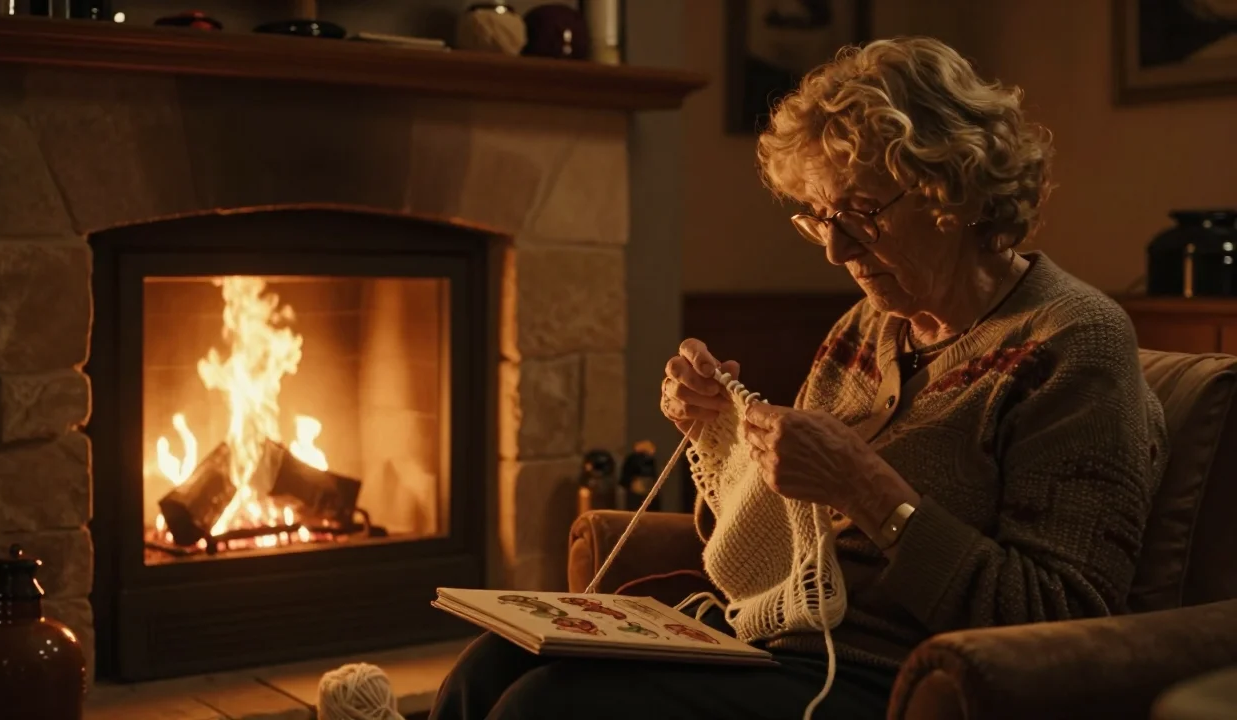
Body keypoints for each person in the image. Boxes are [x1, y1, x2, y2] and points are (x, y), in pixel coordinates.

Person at [428, 36, 1168, 720]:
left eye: (859, 212)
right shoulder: (864, 330)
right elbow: (778, 547)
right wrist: (721, 442)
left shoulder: (1075, 342)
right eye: (818, 217)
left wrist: (868, 492)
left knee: (550, 707)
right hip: (775, 637)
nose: (835, 248)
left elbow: (1061, 615)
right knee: (487, 667)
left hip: (889, 673)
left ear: (956, 190)